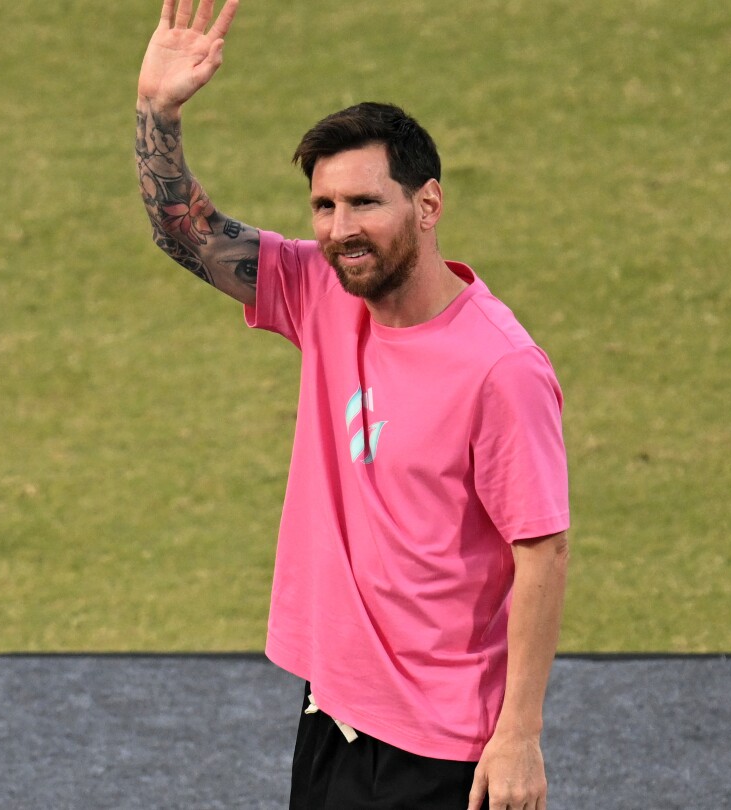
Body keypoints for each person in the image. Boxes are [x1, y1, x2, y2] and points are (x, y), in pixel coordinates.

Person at [134, 2, 571, 808]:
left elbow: (541, 551)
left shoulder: (501, 368)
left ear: (428, 205)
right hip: (333, 711)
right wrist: (157, 113)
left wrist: (518, 735)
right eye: (324, 207)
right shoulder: (320, 291)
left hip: (443, 742)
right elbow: (184, 234)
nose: (340, 231)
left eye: (365, 203)